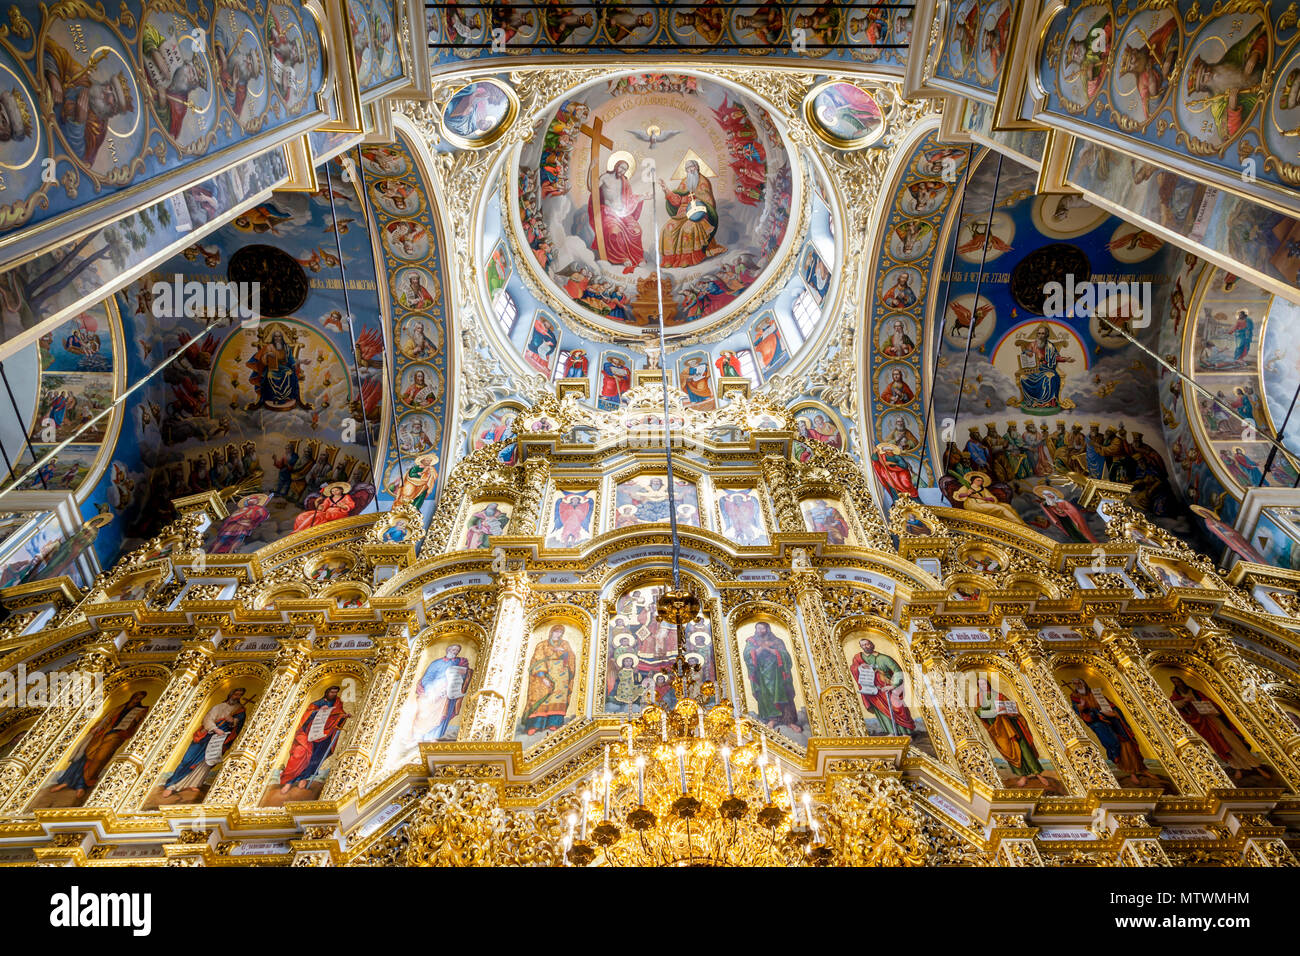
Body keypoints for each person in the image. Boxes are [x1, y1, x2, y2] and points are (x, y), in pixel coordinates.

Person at [49, 691, 149, 798]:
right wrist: (96, 728)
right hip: (102, 733)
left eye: (139, 699)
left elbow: (139, 726)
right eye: (135, 697)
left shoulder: (141, 711)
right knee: (84, 754)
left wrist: (134, 723)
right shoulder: (119, 707)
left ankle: (81, 785)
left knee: (99, 759)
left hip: (116, 736)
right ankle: (66, 781)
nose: (136, 700)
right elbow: (106, 719)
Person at [160, 689, 249, 797]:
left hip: (220, 739)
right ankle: (172, 785)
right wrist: (215, 729)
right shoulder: (218, 707)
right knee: (188, 759)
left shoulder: (240, 710)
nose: (237, 696)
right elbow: (207, 719)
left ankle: (195, 783)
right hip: (206, 737)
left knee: (207, 761)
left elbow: (238, 725)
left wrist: (232, 722)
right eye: (236, 693)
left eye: (240, 695)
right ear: (230, 694)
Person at [278, 686, 350, 793]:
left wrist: (344, 716)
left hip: (325, 735)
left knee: (315, 757)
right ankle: (289, 781)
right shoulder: (316, 704)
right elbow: (307, 716)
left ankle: (304, 778)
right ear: (327, 692)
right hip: (310, 732)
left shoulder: (337, 703)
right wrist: (318, 711)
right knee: (300, 754)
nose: (333, 694)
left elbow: (338, 714)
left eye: (335, 692)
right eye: (331, 692)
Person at [660, 160, 725, 267]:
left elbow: (708, 203)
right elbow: (677, 200)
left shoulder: (703, 182)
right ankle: (670, 259)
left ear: (697, 167)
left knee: (688, 229)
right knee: (667, 228)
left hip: (698, 214)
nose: (690, 170)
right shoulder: (685, 181)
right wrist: (666, 190)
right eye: (687, 168)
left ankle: (688, 258)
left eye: (692, 167)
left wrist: (696, 205)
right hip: (681, 214)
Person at [589, 159, 646, 273]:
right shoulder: (605, 177)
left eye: (625, 169)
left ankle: (638, 257)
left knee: (636, 230)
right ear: (616, 166)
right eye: (621, 167)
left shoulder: (625, 181)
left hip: (623, 213)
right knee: (614, 232)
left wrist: (642, 197)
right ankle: (621, 257)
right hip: (608, 212)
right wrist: (590, 171)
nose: (622, 171)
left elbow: (629, 198)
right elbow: (592, 189)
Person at [848, 639, 915, 736]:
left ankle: (905, 732)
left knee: (897, 708)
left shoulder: (884, 658)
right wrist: (860, 667)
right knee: (881, 710)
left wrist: (893, 686)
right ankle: (891, 732)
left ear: (872, 644)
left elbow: (898, 672)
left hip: (887, 688)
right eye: (863, 645)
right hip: (873, 690)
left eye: (867, 644)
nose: (866, 646)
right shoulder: (858, 658)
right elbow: (853, 668)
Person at [409, 645, 473, 742]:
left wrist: (452, 684)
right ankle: (418, 737)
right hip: (433, 690)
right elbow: (428, 677)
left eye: (457, 650)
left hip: (448, 693)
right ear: (448, 650)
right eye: (453, 649)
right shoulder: (436, 663)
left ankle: (435, 737)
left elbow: (463, 676)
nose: (454, 651)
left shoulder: (459, 662)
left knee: (442, 716)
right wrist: (430, 689)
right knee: (424, 710)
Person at [520, 626, 575, 736]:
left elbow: (571, 657)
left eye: (560, 632)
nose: (558, 634)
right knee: (541, 697)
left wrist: (564, 652)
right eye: (556, 631)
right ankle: (535, 725)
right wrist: (542, 676)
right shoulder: (542, 644)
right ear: (551, 632)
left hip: (561, 676)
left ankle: (553, 723)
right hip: (545, 673)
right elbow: (537, 659)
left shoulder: (565, 644)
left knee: (558, 699)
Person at [744, 622, 799, 731]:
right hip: (762, 673)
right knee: (766, 695)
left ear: (767, 629)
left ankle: (789, 721)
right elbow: (747, 655)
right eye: (757, 628)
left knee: (783, 693)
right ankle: (772, 719)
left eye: (762, 628)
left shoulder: (777, 641)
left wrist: (770, 649)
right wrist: (760, 649)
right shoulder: (751, 641)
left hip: (778, 673)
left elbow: (786, 656)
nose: (760, 631)